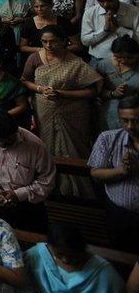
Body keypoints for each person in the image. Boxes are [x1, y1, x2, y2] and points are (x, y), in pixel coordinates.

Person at [21, 25, 102, 196]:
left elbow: (92, 91)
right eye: (44, 42)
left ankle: (77, 190)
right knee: (47, 145)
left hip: (72, 112)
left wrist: (62, 93)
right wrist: (39, 89)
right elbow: (25, 80)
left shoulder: (75, 62)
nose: (48, 46)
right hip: (44, 108)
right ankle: (50, 185)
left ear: (65, 42)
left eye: (53, 42)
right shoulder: (35, 58)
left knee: (74, 146)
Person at [23, 223, 133, 293]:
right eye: (59, 255)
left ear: (81, 249)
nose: (65, 260)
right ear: (50, 247)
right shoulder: (36, 257)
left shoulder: (104, 273)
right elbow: (26, 290)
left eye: (72, 255)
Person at [87, 100, 139, 253]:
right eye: (125, 120)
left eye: (136, 121)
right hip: (118, 213)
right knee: (120, 253)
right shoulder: (108, 139)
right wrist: (122, 171)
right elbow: (95, 174)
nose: (130, 126)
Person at [81, 0, 139, 64]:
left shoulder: (134, 12)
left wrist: (118, 29)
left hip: (128, 59)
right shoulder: (90, 13)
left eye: (110, 0)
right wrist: (105, 30)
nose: (106, 4)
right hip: (99, 58)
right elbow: (85, 41)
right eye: (101, 1)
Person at [99, 36, 139, 130]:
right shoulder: (104, 65)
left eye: (130, 57)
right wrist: (113, 93)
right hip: (110, 114)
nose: (124, 61)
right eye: (118, 57)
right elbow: (96, 92)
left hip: (135, 115)